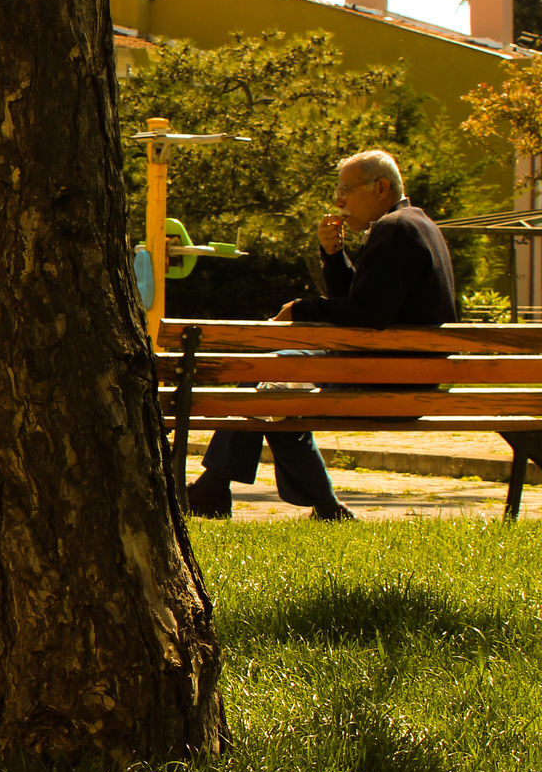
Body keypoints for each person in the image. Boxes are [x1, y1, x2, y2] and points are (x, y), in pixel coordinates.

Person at [186, 149, 457, 520]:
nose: (338, 201)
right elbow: (362, 302)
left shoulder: (395, 230)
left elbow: (364, 315)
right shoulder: (416, 224)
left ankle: (212, 489)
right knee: (276, 392)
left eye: (346, 189)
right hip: (403, 374)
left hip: (385, 382)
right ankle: (314, 506)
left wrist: (300, 309)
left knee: (270, 385)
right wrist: (334, 255)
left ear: (380, 187)